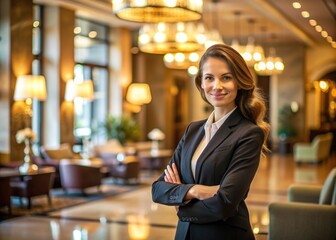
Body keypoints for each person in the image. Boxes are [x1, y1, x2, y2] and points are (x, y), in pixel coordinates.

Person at [152, 44, 270, 240]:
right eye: (209, 78)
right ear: (201, 83)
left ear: (239, 82)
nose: (217, 86)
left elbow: (224, 203)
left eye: (226, 77)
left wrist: (180, 205)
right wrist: (196, 190)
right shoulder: (193, 130)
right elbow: (158, 189)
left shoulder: (249, 134)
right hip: (184, 235)